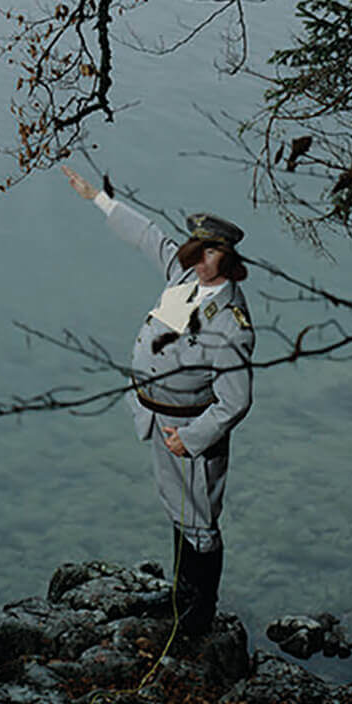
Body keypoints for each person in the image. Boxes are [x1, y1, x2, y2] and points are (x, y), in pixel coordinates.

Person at [60, 159, 254, 635]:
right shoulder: (184, 279)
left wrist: (192, 438)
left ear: (228, 259)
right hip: (157, 417)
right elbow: (148, 236)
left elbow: (235, 400)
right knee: (176, 505)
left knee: (200, 518)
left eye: (210, 252)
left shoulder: (230, 323)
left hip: (189, 429)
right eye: (197, 249)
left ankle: (198, 611)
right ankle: (179, 593)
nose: (199, 259)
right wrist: (98, 198)